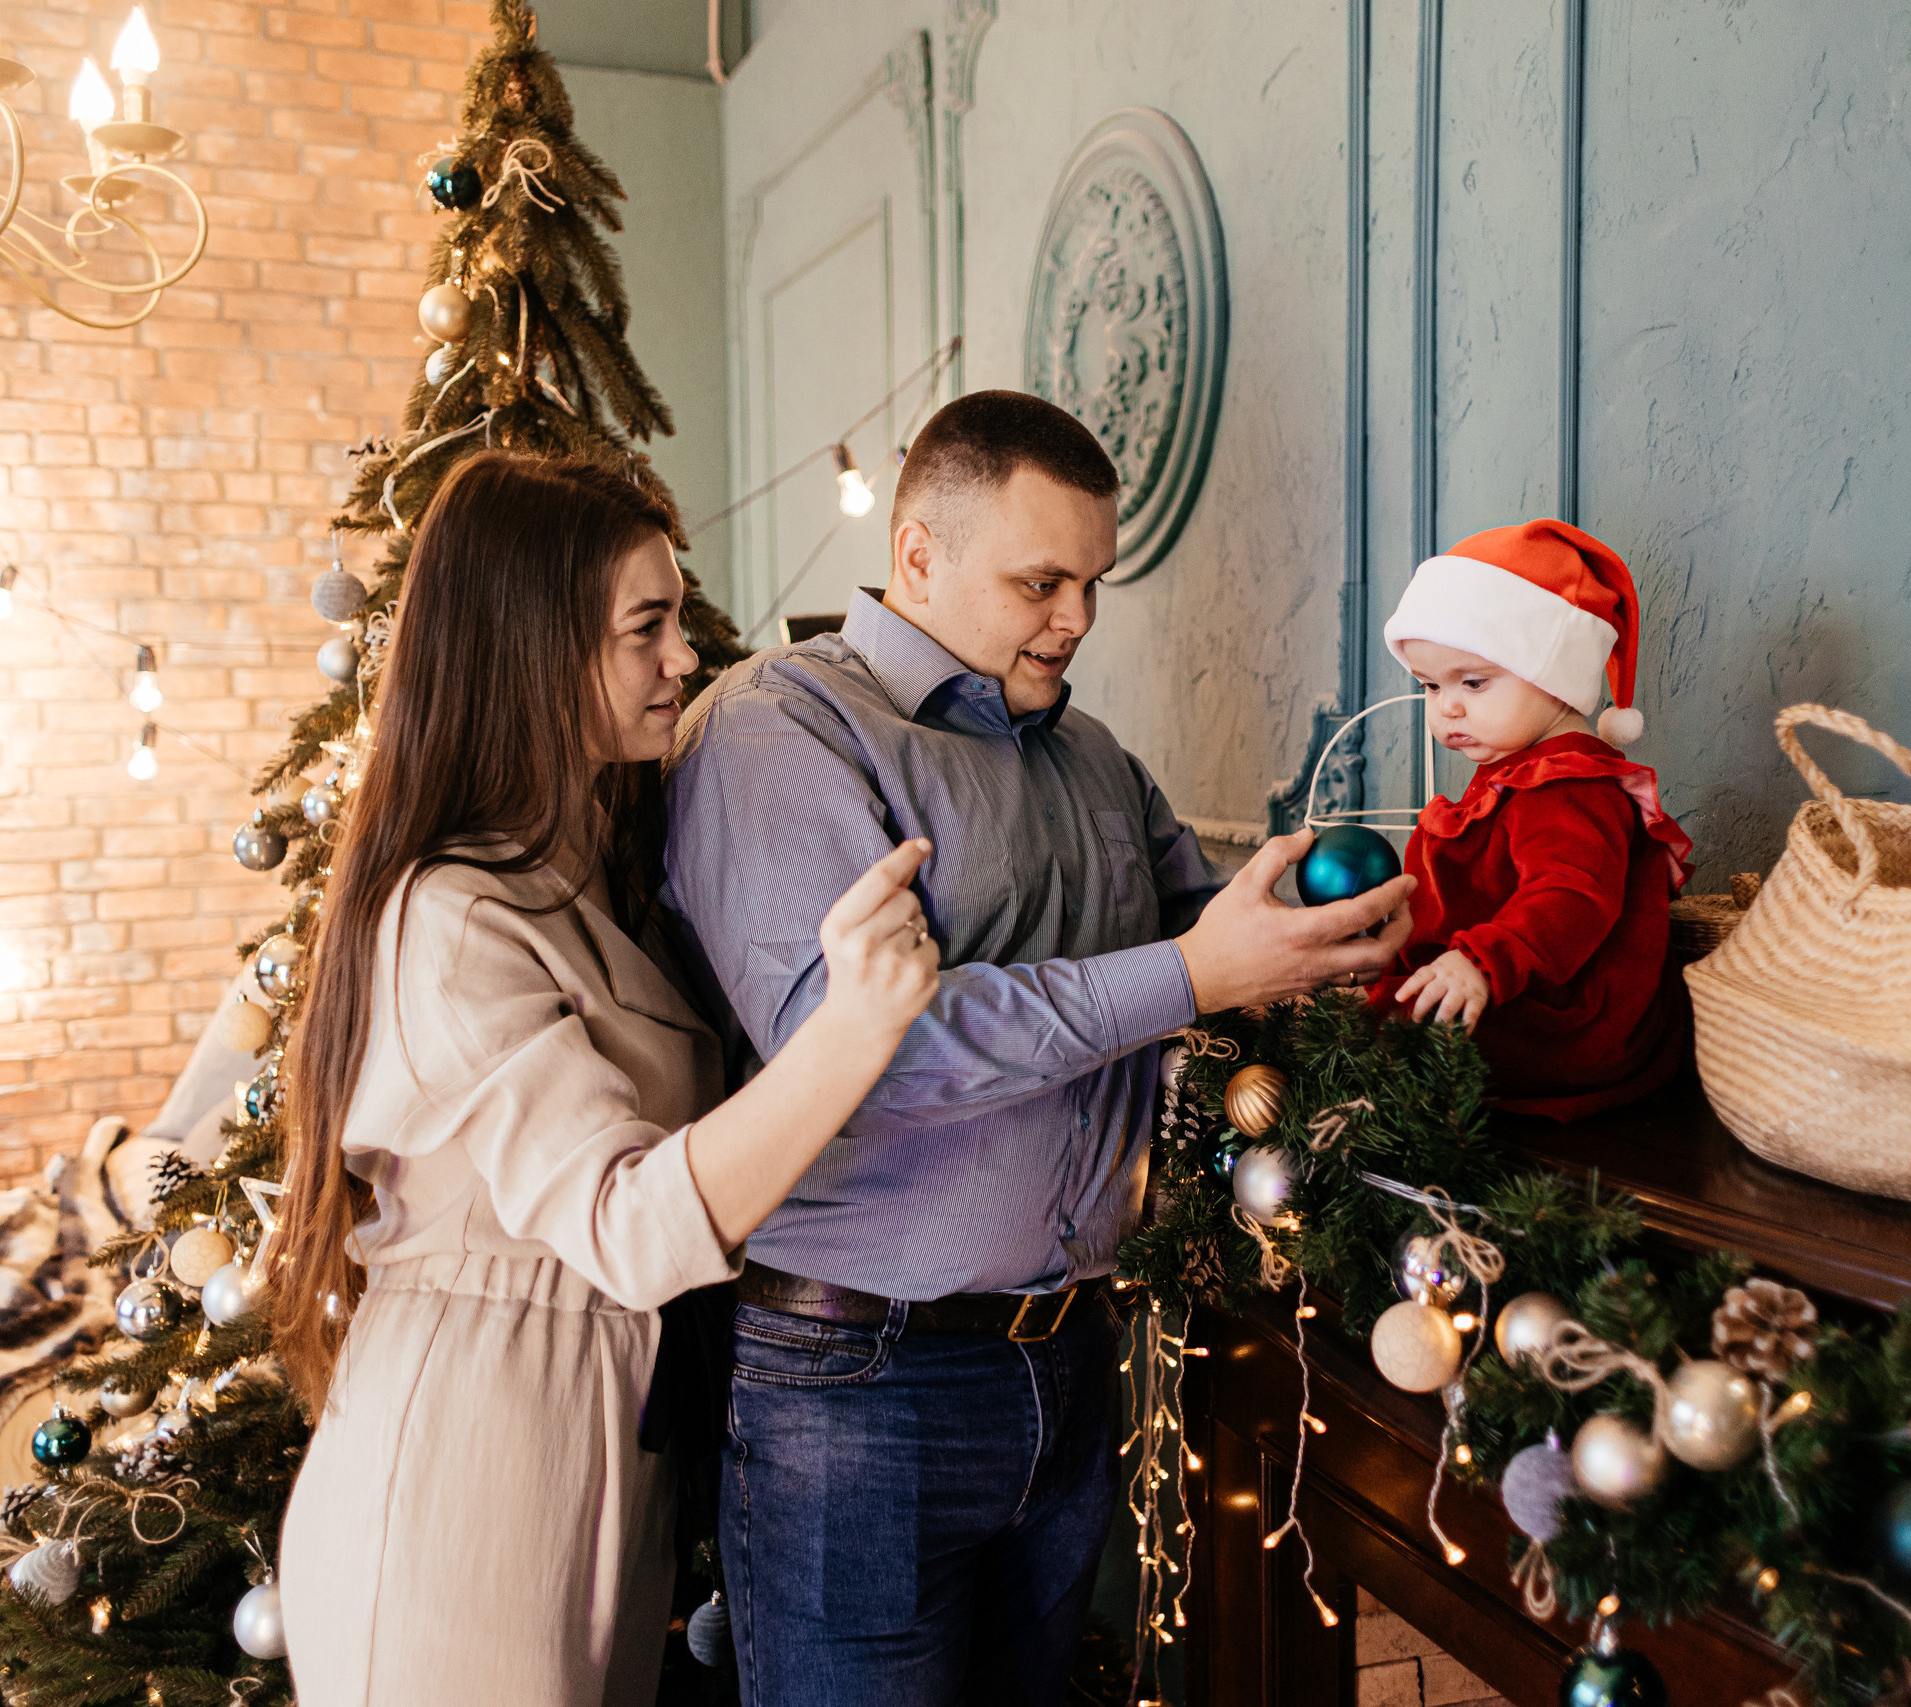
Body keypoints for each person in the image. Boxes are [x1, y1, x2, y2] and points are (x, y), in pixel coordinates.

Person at [662, 390, 1417, 1707]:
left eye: (1092, 582)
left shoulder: (1095, 759)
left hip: (1072, 1365)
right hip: (854, 1388)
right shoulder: (778, 726)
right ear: (916, 555)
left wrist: (1332, 930)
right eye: (1040, 582)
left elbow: (1211, 947)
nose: (1077, 618)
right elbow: (863, 1047)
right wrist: (1198, 970)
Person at [268, 453, 941, 1707]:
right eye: (648, 628)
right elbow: (628, 1227)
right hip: (460, 1489)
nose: (684, 659)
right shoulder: (449, 919)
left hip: (601, 1470)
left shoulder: (586, 871)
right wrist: (854, 1027)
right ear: (535, 646)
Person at [1374, 518, 1694, 1118]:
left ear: (1554, 678)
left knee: (1383, 1033)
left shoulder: (1568, 784)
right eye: (1430, 687)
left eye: (1473, 682)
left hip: (1568, 1021)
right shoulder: (1518, 765)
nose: (1448, 707)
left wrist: (1482, 960)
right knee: (1369, 1013)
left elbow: (1571, 897)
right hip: (1505, 981)